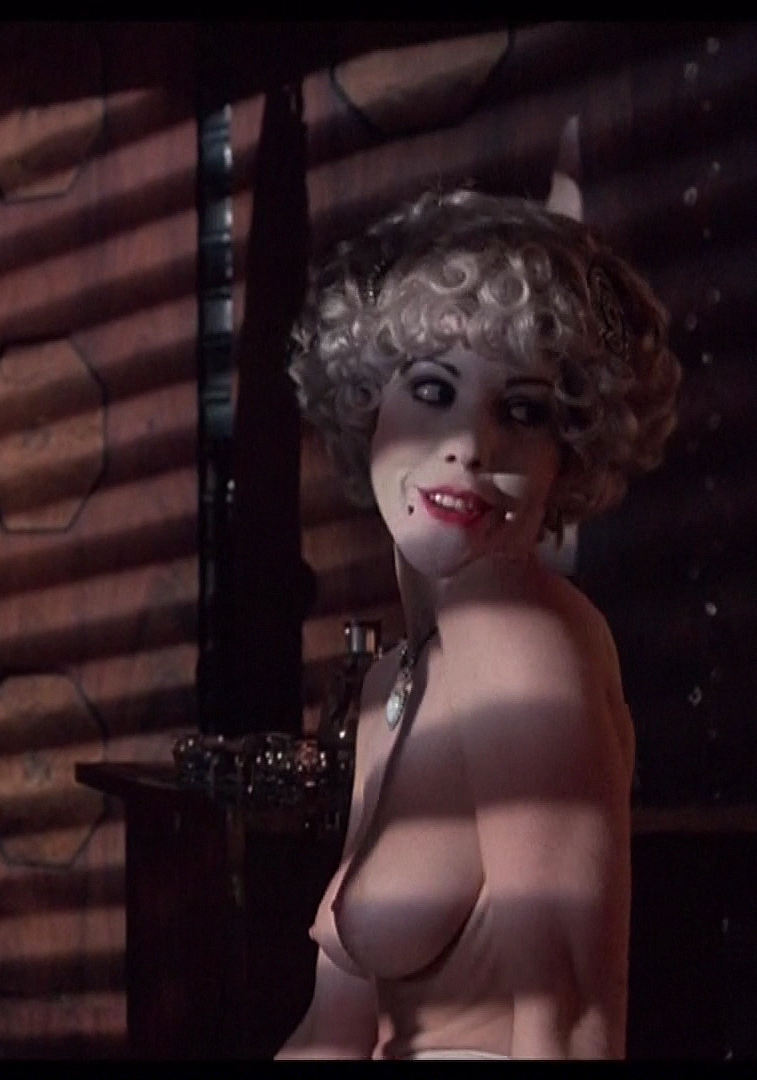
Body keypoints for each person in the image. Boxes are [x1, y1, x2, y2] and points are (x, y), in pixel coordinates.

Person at [275, 189, 681, 1059]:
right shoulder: (392, 685)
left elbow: (573, 1023)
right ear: (367, 408)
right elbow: (333, 1034)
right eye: (433, 388)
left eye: (523, 411)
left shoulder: (515, 629)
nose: (470, 446)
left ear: (567, 458)